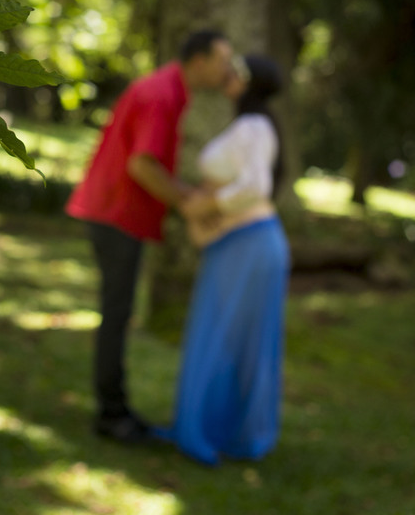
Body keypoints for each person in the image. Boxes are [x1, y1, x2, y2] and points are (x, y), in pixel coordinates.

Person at [66, 30, 235, 443]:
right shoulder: (162, 95)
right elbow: (143, 164)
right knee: (117, 313)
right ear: (198, 60)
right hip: (115, 213)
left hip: (116, 212)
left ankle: (115, 408)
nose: (227, 69)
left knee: (117, 313)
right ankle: (112, 414)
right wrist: (186, 201)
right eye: (222, 61)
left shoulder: (169, 89)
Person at [157, 54, 291, 465]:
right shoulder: (251, 125)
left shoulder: (254, 126)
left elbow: (256, 186)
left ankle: (218, 432)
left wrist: (205, 205)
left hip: (248, 242)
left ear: (247, 82)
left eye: (235, 70)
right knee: (226, 335)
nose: (227, 74)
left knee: (227, 336)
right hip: (240, 242)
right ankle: (218, 428)